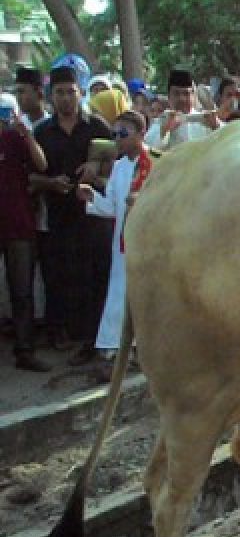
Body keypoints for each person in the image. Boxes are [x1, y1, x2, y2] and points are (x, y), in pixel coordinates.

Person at [30, 65, 113, 365]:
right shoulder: (42, 132)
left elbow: (117, 165)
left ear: (80, 93)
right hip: (58, 217)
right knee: (61, 276)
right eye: (60, 93)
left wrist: (96, 171)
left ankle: (96, 340)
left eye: (71, 92)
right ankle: (64, 333)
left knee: (96, 277)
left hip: (93, 216)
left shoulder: (98, 127)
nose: (66, 98)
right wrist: (51, 183)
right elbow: (29, 177)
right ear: (51, 96)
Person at [76, 110, 153, 381]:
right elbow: (111, 207)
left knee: (146, 299)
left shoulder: (154, 164)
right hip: (122, 245)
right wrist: (91, 197)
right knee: (119, 295)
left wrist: (142, 203)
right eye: (115, 134)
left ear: (141, 134)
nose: (118, 139)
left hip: (148, 245)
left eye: (124, 134)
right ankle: (115, 353)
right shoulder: (120, 167)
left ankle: (143, 353)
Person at [0, 101, 51, 371]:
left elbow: (42, 165)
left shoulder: (14, 138)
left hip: (18, 222)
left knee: (22, 290)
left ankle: (25, 350)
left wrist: (28, 134)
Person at [145, 69, 220, 149]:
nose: (182, 99)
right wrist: (164, 130)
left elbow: (227, 142)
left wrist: (216, 126)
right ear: (169, 97)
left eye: (186, 93)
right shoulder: (161, 121)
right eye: (176, 93)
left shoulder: (206, 119)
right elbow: (148, 147)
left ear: (193, 96)